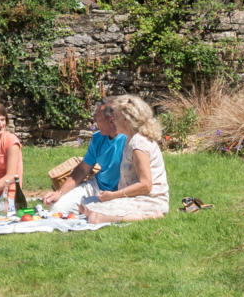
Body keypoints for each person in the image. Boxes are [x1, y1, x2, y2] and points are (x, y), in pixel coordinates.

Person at [82, 95, 170, 224]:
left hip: (149, 201)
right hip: (132, 197)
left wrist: (113, 195)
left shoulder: (138, 144)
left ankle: (150, 216)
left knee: (94, 217)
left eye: (115, 117)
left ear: (125, 119)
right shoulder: (131, 140)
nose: (113, 120)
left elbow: (146, 185)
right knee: (84, 205)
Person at [43, 100, 125, 216]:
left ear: (111, 120)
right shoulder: (97, 138)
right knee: (56, 208)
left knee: (104, 214)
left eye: (98, 118)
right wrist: (59, 192)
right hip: (97, 187)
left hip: (122, 191)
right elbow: (83, 169)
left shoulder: (129, 140)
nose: (95, 121)